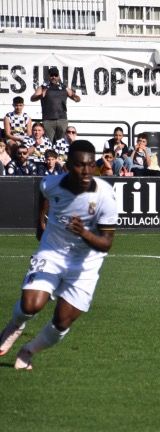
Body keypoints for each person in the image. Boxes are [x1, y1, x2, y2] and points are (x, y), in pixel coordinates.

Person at [0, 140, 117, 370]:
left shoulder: (105, 196)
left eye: (90, 165)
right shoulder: (51, 183)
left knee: (62, 322)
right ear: (68, 165)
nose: (86, 171)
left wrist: (83, 232)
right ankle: (15, 325)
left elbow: (106, 244)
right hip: (52, 252)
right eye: (79, 165)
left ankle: (28, 351)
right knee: (31, 305)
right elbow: (44, 194)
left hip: (86, 265)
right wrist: (40, 223)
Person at [30, 67, 80, 142]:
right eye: (52, 75)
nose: (54, 77)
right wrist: (41, 95)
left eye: (56, 75)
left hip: (62, 120)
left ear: (58, 76)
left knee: (61, 142)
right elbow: (32, 98)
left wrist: (75, 97)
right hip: (48, 120)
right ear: (48, 76)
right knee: (48, 142)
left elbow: (76, 98)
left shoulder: (64, 87)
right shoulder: (43, 87)